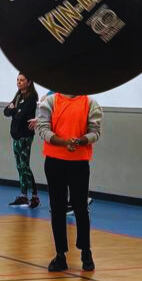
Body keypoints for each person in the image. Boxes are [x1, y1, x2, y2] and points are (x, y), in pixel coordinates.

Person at [34, 89, 101, 271]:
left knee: (80, 208)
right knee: (57, 208)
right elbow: (43, 129)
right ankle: (60, 254)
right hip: (55, 162)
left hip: (79, 163)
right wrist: (63, 143)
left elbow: (95, 132)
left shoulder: (90, 103)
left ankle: (86, 252)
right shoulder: (50, 101)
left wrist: (80, 141)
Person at [4, 73, 40, 208]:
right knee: (19, 166)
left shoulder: (31, 97)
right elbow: (6, 111)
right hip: (16, 136)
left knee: (25, 166)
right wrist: (13, 110)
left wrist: (14, 110)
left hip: (25, 137)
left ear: (28, 82)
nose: (19, 82)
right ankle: (23, 195)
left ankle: (35, 196)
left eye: (22, 80)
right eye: (18, 80)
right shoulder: (18, 95)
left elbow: (21, 115)